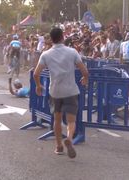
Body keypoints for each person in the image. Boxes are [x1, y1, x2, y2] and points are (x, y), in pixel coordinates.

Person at [34, 27, 89, 158]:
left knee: (57, 120)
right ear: (63, 37)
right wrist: (85, 78)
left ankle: (59, 146)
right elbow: (84, 70)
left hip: (55, 91)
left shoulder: (46, 54)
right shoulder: (72, 52)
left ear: (51, 39)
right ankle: (69, 138)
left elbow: (36, 73)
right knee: (71, 120)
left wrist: (38, 85)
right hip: (70, 90)